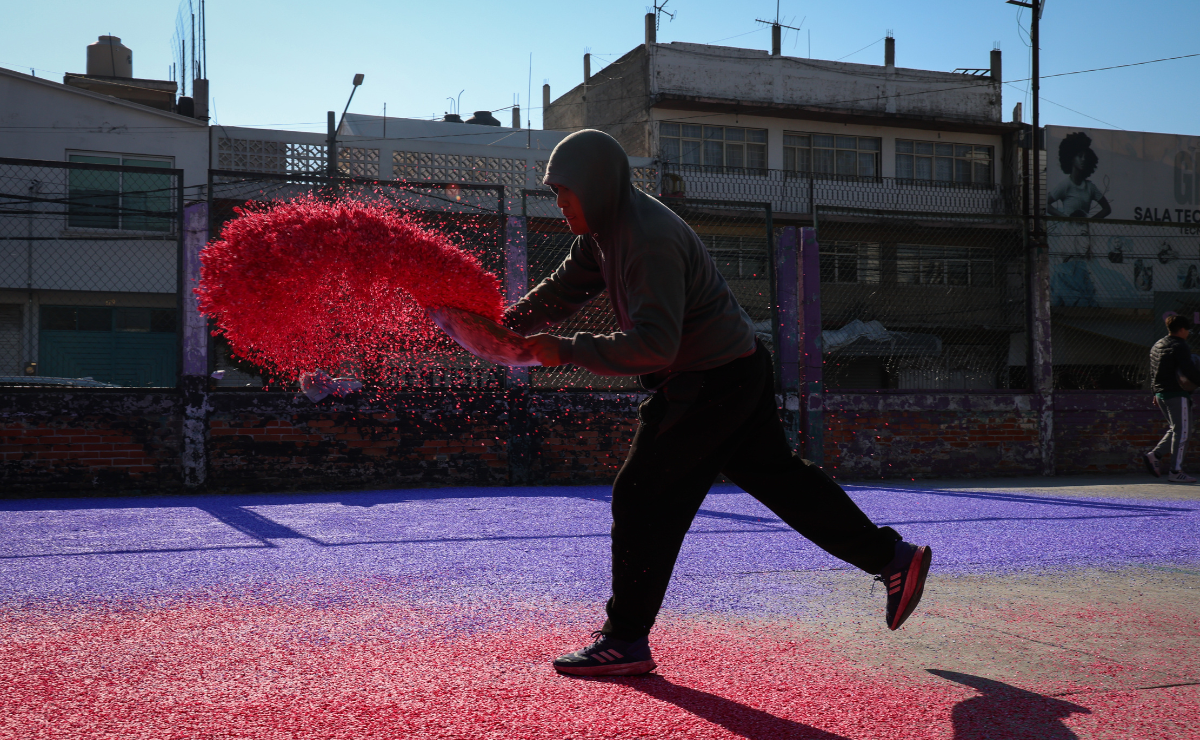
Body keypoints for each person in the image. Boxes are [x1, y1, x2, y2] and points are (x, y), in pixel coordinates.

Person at [505, 129, 932, 677]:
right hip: (736, 366)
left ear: (597, 186)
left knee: (641, 495)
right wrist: (503, 325)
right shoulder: (602, 232)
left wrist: (563, 350)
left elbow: (653, 346)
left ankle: (625, 639)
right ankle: (893, 560)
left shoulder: (645, 239)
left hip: (706, 379)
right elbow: (562, 290)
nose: (559, 202)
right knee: (779, 478)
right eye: (553, 191)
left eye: (566, 191)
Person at [1145, 314, 1200, 483]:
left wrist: (1155, 392)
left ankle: (1155, 455)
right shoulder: (1180, 346)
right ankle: (1176, 471)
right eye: (1188, 330)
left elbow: (1153, 372)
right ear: (1182, 330)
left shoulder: (1157, 345)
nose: (1188, 333)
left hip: (1162, 394)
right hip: (1177, 393)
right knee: (1182, 432)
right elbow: (1188, 370)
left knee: (1177, 429)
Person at [1047, 131, 1111, 219]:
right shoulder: (1066, 185)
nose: (1083, 159)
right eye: (1080, 156)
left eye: (1085, 157)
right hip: (1068, 230)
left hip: (1084, 230)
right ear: (1071, 158)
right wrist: (1064, 217)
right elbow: (1046, 203)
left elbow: (1107, 209)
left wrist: (1090, 221)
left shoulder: (1090, 187)